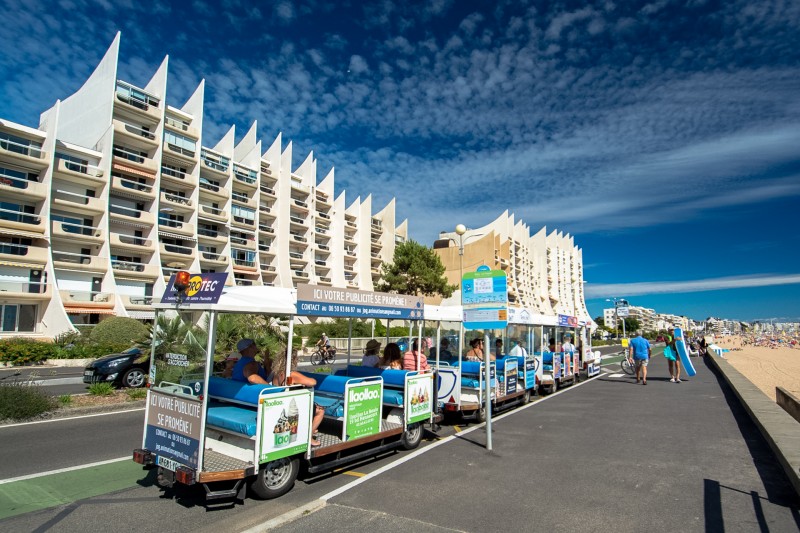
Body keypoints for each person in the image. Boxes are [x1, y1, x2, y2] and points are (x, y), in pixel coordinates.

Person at [271, 349, 324, 446]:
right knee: (320, 411)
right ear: (293, 360)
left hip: (280, 402)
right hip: (289, 406)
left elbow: (288, 384)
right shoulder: (291, 374)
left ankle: (308, 430)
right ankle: (309, 437)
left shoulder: (276, 373)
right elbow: (313, 382)